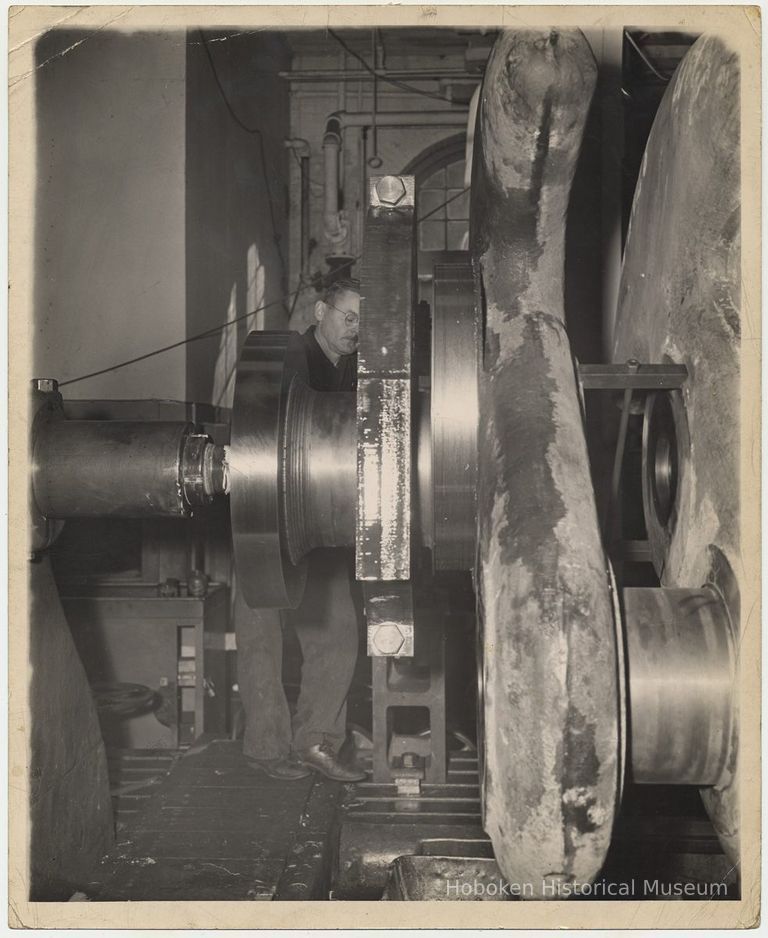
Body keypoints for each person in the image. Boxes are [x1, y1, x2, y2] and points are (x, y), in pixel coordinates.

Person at [234, 279, 367, 782]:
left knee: (337, 632)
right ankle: (265, 748)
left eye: (362, 321)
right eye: (348, 316)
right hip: (262, 513)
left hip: (325, 523)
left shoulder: (359, 372)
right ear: (320, 312)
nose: (355, 329)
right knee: (261, 633)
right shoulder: (289, 362)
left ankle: (316, 742)